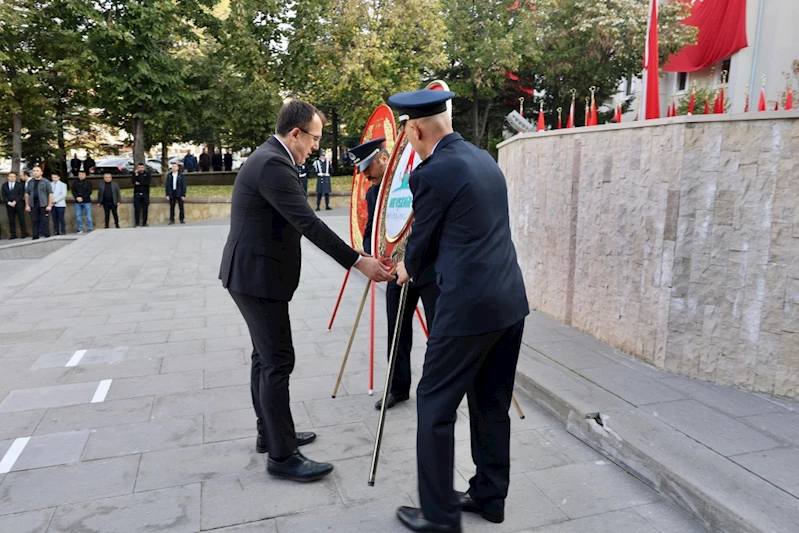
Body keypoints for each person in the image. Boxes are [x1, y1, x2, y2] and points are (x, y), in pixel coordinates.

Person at [219, 99, 393, 483]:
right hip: (256, 279)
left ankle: (271, 433)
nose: (315, 147)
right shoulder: (273, 164)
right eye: (313, 139)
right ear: (294, 133)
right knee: (278, 361)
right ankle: (282, 457)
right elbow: (308, 223)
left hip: (254, 275)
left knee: (265, 359)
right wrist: (357, 261)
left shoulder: (271, 159)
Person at [389, 90, 529, 533]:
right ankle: (490, 497)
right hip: (508, 303)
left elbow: (422, 247)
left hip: (467, 310)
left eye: (407, 134)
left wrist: (401, 269)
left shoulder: (432, 172)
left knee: (434, 405)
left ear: (414, 129)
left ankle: (438, 515)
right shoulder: (483, 158)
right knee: (491, 404)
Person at [347, 138, 439, 411]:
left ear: (384, 159)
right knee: (397, 332)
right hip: (395, 274)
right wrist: (373, 255)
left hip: (428, 269)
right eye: (362, 171)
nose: (366, 175)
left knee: (438, 333)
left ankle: (438, 396)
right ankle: (397, 388)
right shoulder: (374, 193)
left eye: (368, 167)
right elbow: (370, 232)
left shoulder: (415, 180)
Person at [24, 166, 54, 240]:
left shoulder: (46, 182)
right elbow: (27, 193)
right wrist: (27, 205)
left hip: (43, 203)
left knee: (45, 220)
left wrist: (49, 205)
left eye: (37, 171)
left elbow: (50, 193)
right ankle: (35, 236)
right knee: (34, 220)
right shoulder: (30, 182)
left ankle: (46, 235)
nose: (35, 172)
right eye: (34, 171)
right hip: (33, 204)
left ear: (41, 172)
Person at [2, 172, 27, 239]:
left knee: (21, 219)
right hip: (9, 205)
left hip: (18, 204)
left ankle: (23, 233)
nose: (12, 178)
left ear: (16, 178)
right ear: (8, 177)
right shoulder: (4, 185)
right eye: (11, 176)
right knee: (11, 220)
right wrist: (8, 202)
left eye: (14, 177)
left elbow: (21, 194)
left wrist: (15, 201)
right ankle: (13, 234)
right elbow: (4, 195)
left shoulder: (20, 185)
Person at [132, 162, 151, 227]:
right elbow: (133, 182)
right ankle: (137, 223)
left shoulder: (147, 174)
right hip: (137, 193)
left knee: (145, 209)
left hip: (145, 193)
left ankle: (144, 222)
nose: (140, 169)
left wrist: (140, 183)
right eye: (139, 167)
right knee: (137, 209)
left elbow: (147, 182)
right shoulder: (135, 174)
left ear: (144, 167)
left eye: (142, 167)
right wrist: (136, 175)